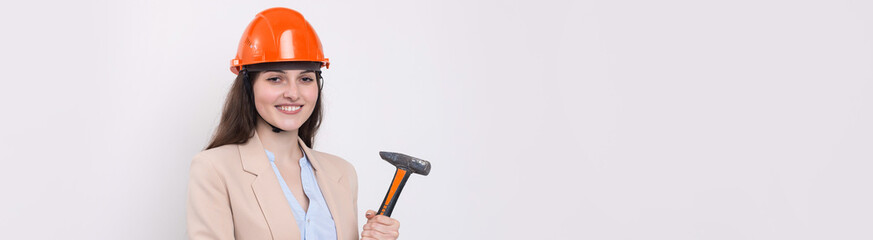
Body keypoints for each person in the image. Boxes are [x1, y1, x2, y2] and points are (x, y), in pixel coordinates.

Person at [186, 7, 400, 240]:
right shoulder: (214, 169)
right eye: (275, 79)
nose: (293, 93)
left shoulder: (342, 173)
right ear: (248, 86)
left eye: (305, 78)